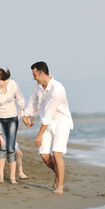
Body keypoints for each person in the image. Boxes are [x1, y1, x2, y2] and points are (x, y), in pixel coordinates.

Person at [23, 61, 73, 194]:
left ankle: (60, 186)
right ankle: (59, 175)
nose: (33, 78)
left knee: (57, 153)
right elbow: (32, 102)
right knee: (45, 155)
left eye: (35, 75)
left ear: (42, 73)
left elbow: (49, 113)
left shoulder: (58, 89)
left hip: (61, 122)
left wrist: (39, 134)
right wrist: (26, 116)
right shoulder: (37, 86)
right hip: (47, 123)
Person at [0, 68, 26, 184]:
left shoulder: (13, 84)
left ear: (5, 79)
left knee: (11, 148)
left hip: (12, 118)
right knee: (2, 147)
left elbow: (20, 98)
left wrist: (22, 112)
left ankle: (13, 178)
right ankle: (1, 177)